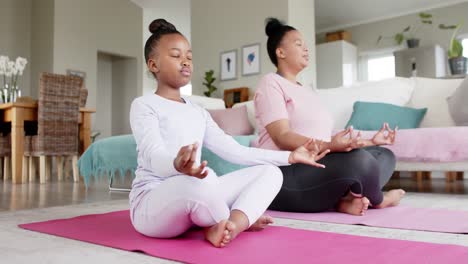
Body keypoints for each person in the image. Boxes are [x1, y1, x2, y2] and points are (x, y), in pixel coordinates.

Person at [129, 19, 329, 248]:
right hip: (153, 205)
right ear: (153, 65)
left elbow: (236, 151)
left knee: (270, 173)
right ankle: (226, 219)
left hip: (196, 193)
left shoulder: (198, 112)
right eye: (176, 55)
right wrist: (177, 164)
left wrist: (290, 157)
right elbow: (153, 156)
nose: (185, 61)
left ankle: (230, 224)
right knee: (198, 183)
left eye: (189, 57)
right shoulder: (144, 105)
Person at [253, 17, 405, 216]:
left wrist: (369, 141)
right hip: (284, 176)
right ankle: (379, 199)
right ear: (280, 52)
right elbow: (281, 136)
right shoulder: (271, 83)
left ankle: (345, 200)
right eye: (299, 44)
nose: (306, 49)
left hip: (317, 168)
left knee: (383, 155)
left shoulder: (308, 91)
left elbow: (325, 139)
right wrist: (330, 146)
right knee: (361, 162)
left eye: (306, 45)